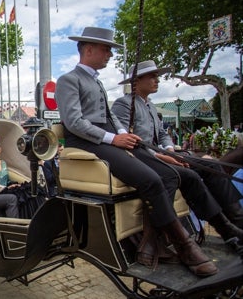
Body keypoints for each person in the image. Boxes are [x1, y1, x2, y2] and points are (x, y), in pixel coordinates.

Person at [55, 26, 217, 277]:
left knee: (168, 174)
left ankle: (153, 243)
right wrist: (113, 138)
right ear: (88, 50)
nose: (110, 54)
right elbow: (74, 122)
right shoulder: (69, 80)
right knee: (151, 179)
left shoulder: (96, 81)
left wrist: (124, 134)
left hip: (108, 140)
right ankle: (184, 245)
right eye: (106, 49)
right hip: (88, 142)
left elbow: (110, 118)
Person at [111, 60, 243, 244]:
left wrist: (171, 150)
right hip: (144, 160)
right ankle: (222, 227)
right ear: (136, 81)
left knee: (213, 165)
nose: (157, 80)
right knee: (190, 175)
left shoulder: (150, 105)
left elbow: (163, 134)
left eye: (157, 76)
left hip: (163, 156)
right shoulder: (123, 104)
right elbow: (127, 140)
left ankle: (236, 219)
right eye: (152, 76)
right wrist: (160, 155)